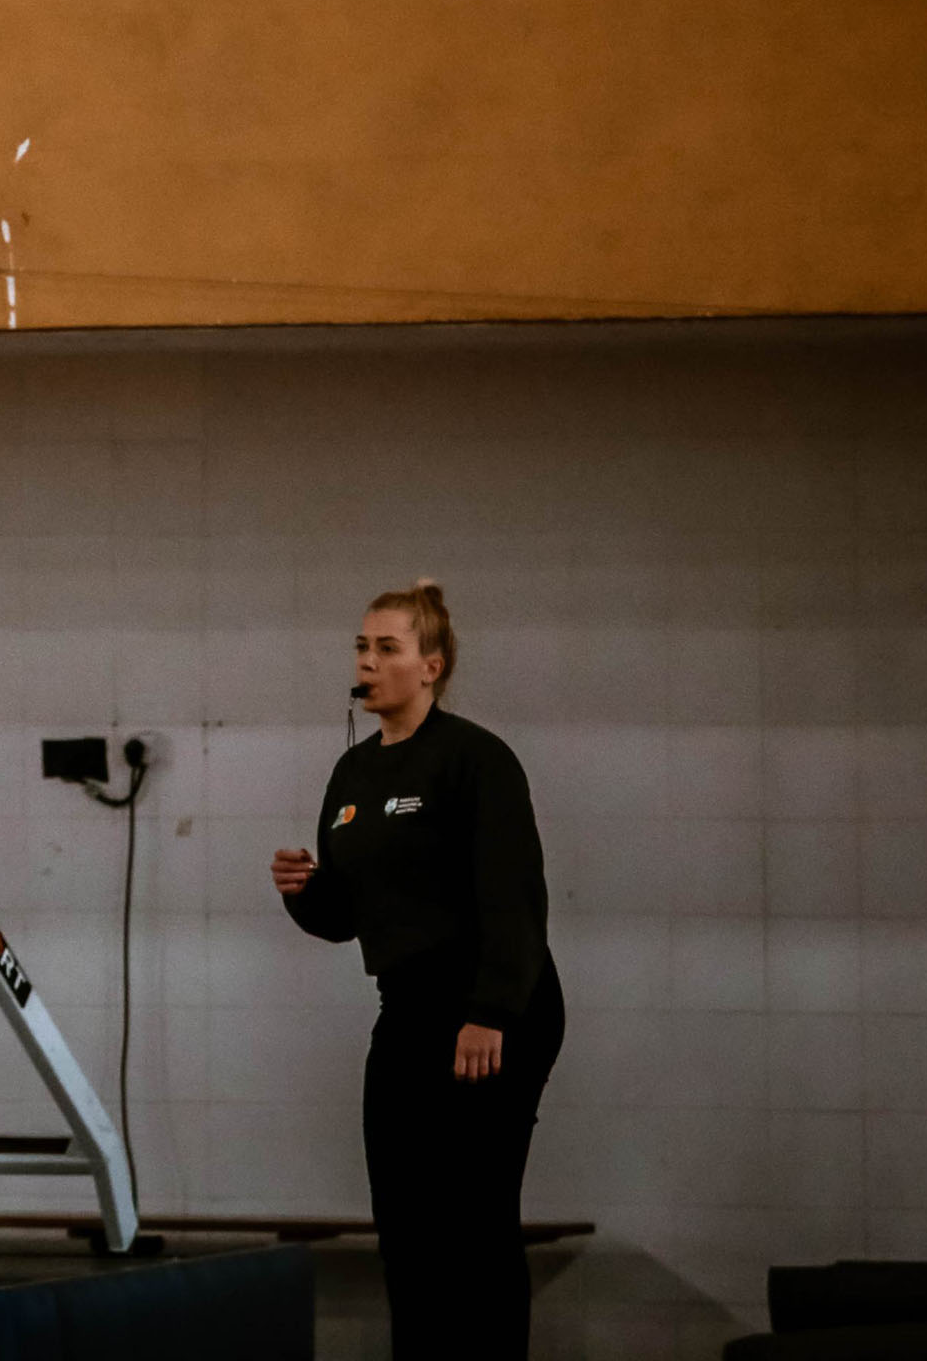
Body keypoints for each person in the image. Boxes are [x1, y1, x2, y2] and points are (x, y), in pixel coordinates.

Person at [269, 580, 563, 1361]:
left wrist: (491, 1012)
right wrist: (306, 893)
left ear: (430, 667)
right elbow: (346, 917)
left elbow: (515, 898)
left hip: (494, 1004)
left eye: (386, 648)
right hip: (408, 1008)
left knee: (475, 1221)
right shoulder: (353, 775)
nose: (367, 661)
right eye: (361, 647)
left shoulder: (476, 760)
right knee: (404, 1221)